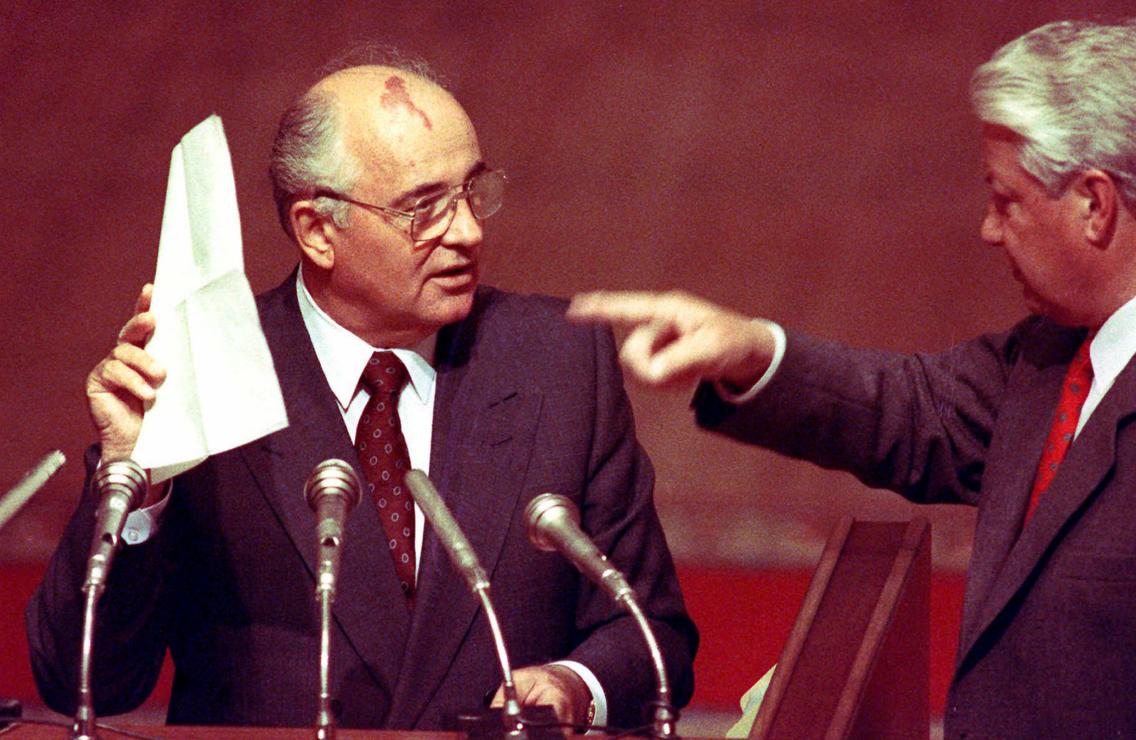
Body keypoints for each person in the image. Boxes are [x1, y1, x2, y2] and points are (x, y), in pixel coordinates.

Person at [569, 19, 1136, 738]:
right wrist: (749, 352)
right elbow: (921, 411)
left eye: (1006, 199)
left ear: (1094, 203)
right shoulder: (1064, 346)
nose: (988, 228)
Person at [27, 55, 696, 732]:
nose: (467, 232)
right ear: (318, 230)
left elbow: (652, 636)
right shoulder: (207, 369)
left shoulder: (557, 361)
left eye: (472, 192)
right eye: (425, 207)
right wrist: (135, 480)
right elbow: (84, 681)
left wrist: (574, 684)